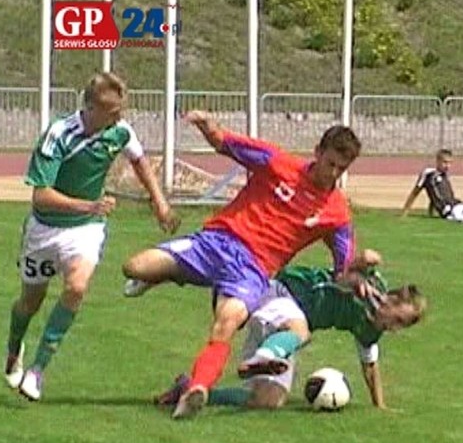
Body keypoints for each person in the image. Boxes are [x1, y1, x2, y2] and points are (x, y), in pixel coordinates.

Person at [122, 110, 362, 418]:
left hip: (253, 271)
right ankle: (163, 274)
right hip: (217, 242)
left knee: (227, 323)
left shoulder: (337, 212)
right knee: (134, 267)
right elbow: (224, 142)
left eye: (341, 169)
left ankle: (198, 388)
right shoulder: (277, 162)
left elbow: (343, 268)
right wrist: (207, 125)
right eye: (330, 163)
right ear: (317, 152)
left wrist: (355, 277)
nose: (332, 173)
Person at [3, 72, 180, 401]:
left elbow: (139, 160)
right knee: (30, 302)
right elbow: (41, 195)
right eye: (112, 112)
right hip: (44, 230)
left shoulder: (120, 131)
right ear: (90, 108)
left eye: (121, 111)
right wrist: (90, 204)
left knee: (77, 286)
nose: (120, 118)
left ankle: (38, 370)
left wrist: (160, 202)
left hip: (85, 229)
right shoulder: (58, 135)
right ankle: (14, 350)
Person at [155, 252, 426, 412]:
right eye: (398, 319)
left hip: (287, 322)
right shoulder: (372, 285)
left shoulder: (371, 329)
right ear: (391, 300)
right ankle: (265, 355)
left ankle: (190, 390)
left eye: (402, 325)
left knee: (268, 401)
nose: (395, 327)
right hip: (281, 292)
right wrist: (366, 261)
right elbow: (358, 263)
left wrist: (380, 406)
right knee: (302, 331)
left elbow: (370, 365)